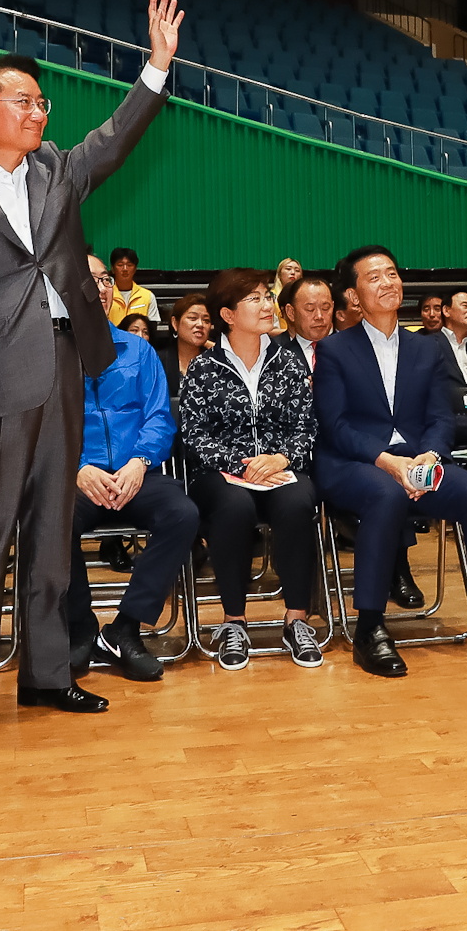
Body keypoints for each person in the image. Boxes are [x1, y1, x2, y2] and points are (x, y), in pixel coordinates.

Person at [0, 0, 184, 741]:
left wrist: (156, 65)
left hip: (65, 368)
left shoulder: (58, 170)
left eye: (41, 101)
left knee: (52, 539)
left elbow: (116, 137)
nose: (37, 113)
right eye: (22, 101)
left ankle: (49, 675)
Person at [313, 245, 467, 677]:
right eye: (373, 277)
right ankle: (370, 627)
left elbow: (439, 416)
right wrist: (389, 463)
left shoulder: (425, 349)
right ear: (354, 296)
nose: (387, 282)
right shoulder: (335, 349)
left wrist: (430, 456)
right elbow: (335, 426)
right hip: (355, 462)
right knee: (386, 496)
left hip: (418, 458)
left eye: (391, 273)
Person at [180, 268, 324, 670]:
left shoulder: (289, 362)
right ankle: (233, 622)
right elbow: (193, 434)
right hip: (224, 473)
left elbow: (307, 425)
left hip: (279, 469)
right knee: (233, 507)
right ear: (227, 314)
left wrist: (280, 459)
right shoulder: (204, 368)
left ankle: (297, 619)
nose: (267, 305)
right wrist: (239, 465)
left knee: (298, 501)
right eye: (256, 299)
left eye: (267, 296)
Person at [66, 254, 195, 683]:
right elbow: (40, 429)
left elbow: (160, 417)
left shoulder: (138, 349)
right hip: (78, 481)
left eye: (105, 280)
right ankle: (79, 627)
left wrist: (139, 464)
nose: (101, 288)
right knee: (48, 518)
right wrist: (78, 468)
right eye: (90, 280)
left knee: (183, 513)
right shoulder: (48, 354)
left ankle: (125, 628)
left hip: (135, 475)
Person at [275, 274, 334, 378]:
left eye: (325, 308)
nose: (319, 316)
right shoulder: (278, 357)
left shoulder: (349, 351)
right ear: (291, 313)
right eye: (310, 309)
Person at [161, 292, 211, 397]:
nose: (200, 324)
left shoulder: (216, 363)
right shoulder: (158, 361)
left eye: (206, 320)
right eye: (193, 318)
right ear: (175, 323)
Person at [105, 247, 160, 326]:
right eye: (120, 265)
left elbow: (153, 326)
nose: (125, 269)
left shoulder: (147, 296)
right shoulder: (105, 295)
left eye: (129, 265)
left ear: (135, 268)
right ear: (112, 268)